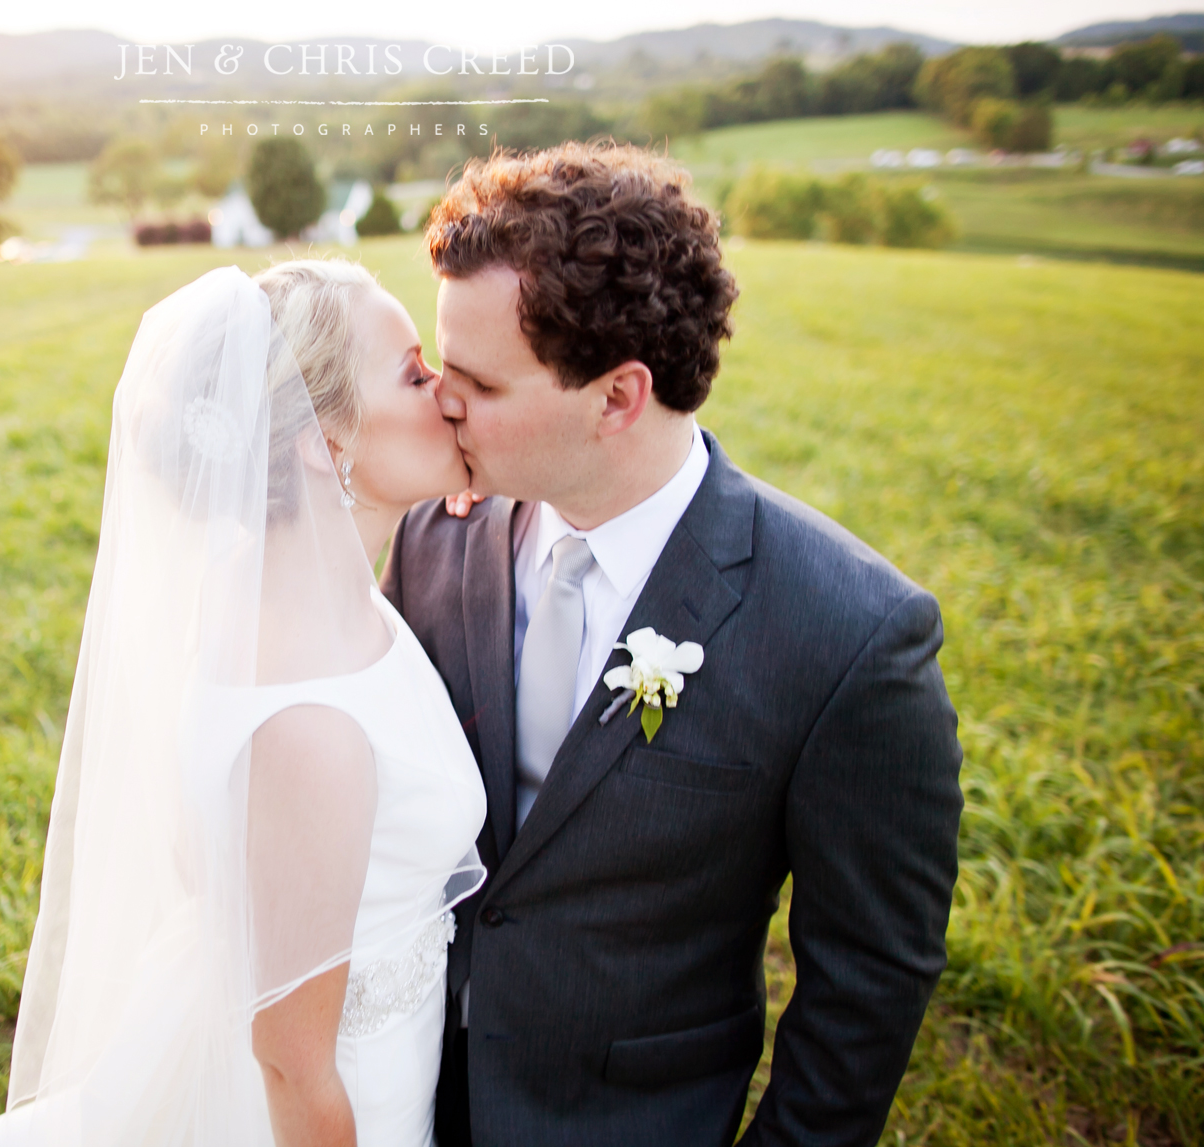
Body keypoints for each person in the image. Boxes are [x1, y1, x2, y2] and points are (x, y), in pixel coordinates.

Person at [381, 141, 964, 1146]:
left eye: (477, 381)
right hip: (398, 1085)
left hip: (627, 1115)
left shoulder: (851, 636)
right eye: (438, 364)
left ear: (616, 397)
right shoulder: (438, 531)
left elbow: (868, 976)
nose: (440, 399)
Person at [0, 259, 486, 1146]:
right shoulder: (310, 722)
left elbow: (202, 860)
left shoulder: (262, 591)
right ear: (319, 437)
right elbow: (295, 1065)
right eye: (413, 372)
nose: (446, 390)